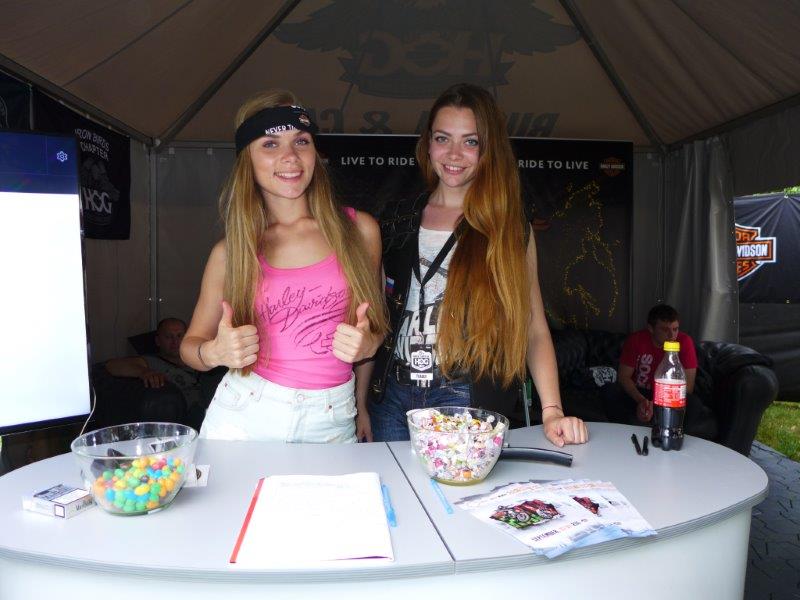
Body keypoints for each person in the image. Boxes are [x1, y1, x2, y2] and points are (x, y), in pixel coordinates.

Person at [368, 83, 588, 447]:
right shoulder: (395, 219)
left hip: (463, 393)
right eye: (443, 138)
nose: (454, 154)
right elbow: (373, 318)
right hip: (391, 395)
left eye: (470, 141)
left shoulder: (507, 227)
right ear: (427, 144)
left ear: (488, 150)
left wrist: (552, 410)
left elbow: (533, 326)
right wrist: (360, 404)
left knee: (458, 485)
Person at [180, 91, 388, 444]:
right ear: (247, 159)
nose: (290, 156)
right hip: (246, 414)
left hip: (333, 417)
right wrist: (214, 352)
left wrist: (369, 350)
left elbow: (376, 326)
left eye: (301, 141)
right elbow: (190, 345)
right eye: (270, 144)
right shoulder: (231, 252)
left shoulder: (360, 231)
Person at [600, 304, 717, 438]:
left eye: (675, 329)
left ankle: (670, 435)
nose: (672, 335)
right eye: (665, 329)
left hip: (668, 395)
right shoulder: (636, 339)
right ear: (651, 328)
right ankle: (626, 434)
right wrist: (641, 401)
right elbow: (623, 377)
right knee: (609, 390)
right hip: (640, 393)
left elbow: (687, 388)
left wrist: (658, 406)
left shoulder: (684, 342)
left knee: (693, 403)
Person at [105, 318, 201, 408]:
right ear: (158, 341)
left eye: (179, 336)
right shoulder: (152, 361)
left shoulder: (198, 358)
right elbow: (112, 365)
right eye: (168, 337)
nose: (175, 341)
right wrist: (144, 372)